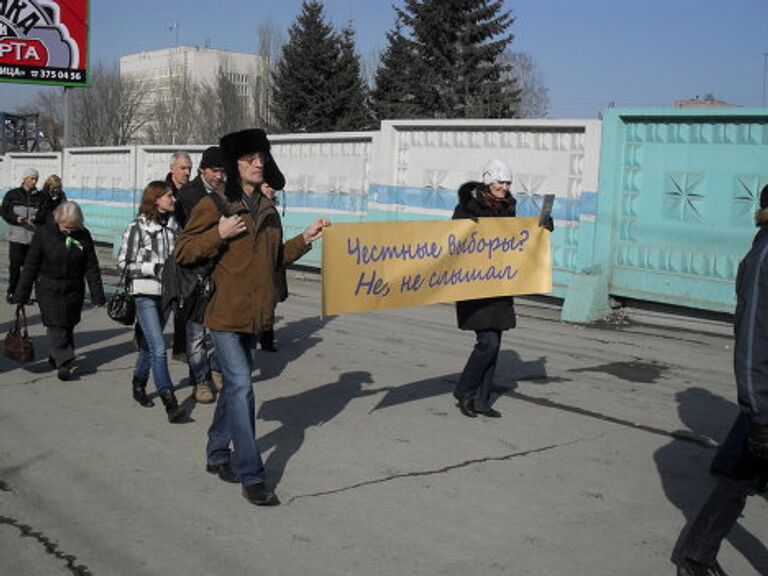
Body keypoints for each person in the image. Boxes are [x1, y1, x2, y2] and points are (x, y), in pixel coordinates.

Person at [175, 128, 329, 506]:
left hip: (256, 315)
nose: (259, 163)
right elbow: (184, 251)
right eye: (251, 158)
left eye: (262, 158)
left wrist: (305, 239)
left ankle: (215, 451)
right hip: (224, 315)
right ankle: (251, 473)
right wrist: (220, 234)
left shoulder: (268, 209)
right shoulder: (216, 206)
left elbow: (274, 260)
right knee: (243, 385)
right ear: (234, 165)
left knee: (233, 386)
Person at [673, 184, 768, 576]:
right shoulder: (765, 257)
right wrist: (759, 413)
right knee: (739, 477)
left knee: (738, 478)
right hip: (766, 401)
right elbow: (751, 341)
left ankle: (695, 555)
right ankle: (694, 556)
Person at [451, 159, 552, 419]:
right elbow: (453, 238)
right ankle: (465, 391)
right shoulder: (466, 207)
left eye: (507, 183)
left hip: (499, 284)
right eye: (500, 182)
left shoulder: (509, 209)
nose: (505, 187)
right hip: (473, 284)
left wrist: (541, 228)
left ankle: (482, 401)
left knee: (494, 343)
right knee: (488, 342)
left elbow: (515, 240)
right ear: (488, 181)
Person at [12, 201, 105, 380]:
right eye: (65, 227)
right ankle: (64, 361)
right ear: (57, 220)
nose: (68, 231)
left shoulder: (84, 236)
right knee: (56, 324)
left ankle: (57, 356)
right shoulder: (43, 234)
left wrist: (97, 295)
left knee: (68, 323)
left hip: (73, 288)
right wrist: (21, 294)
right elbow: (31, 265)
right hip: (48, 286)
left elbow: (91, 267)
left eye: (72, 227)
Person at [117, 181, 185, 423]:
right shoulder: (137, 227)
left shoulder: (174, 225)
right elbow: (123, 263)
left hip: (167, 294)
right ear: (156, 199)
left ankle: (138, 384)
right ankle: (170, 402)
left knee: (148, 344)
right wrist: (153, 267)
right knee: (158, 347)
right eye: (169, 196)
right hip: (144, 292)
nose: (173, 200)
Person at [175, 146, 227, 404]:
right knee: (196, 333)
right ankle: (199, 379)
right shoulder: (188, 195)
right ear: (203, 170)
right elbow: (189, 239)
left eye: (222, 171)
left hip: (221, 271)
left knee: (220, 329)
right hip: (195, 273)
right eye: (215, 171)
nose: (219, 176)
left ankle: (216, 369)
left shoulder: (229, 193)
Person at [1, 168, 46, 303]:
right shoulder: (12, 194)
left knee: (29, 269)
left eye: (36, 179)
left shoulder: (41, 197)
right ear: (25, 179)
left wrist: (37, 217)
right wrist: (15, 219)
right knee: (15, 267)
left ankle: (24, 296)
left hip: (33, 238)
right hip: (16, 237)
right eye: (32, 178)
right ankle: (12, 292)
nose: (34, 181)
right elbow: (4, 211)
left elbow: (46, 213)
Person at [166, 151, 193, 363]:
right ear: (172, 169)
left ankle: (180, 347)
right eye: (183, 168)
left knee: (183, 302)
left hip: (186, 253)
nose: (187, 172)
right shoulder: (162, 190)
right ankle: (143, 333)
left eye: (189, 168)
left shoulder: (193, 192)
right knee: (161, 301)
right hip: (163, 254)